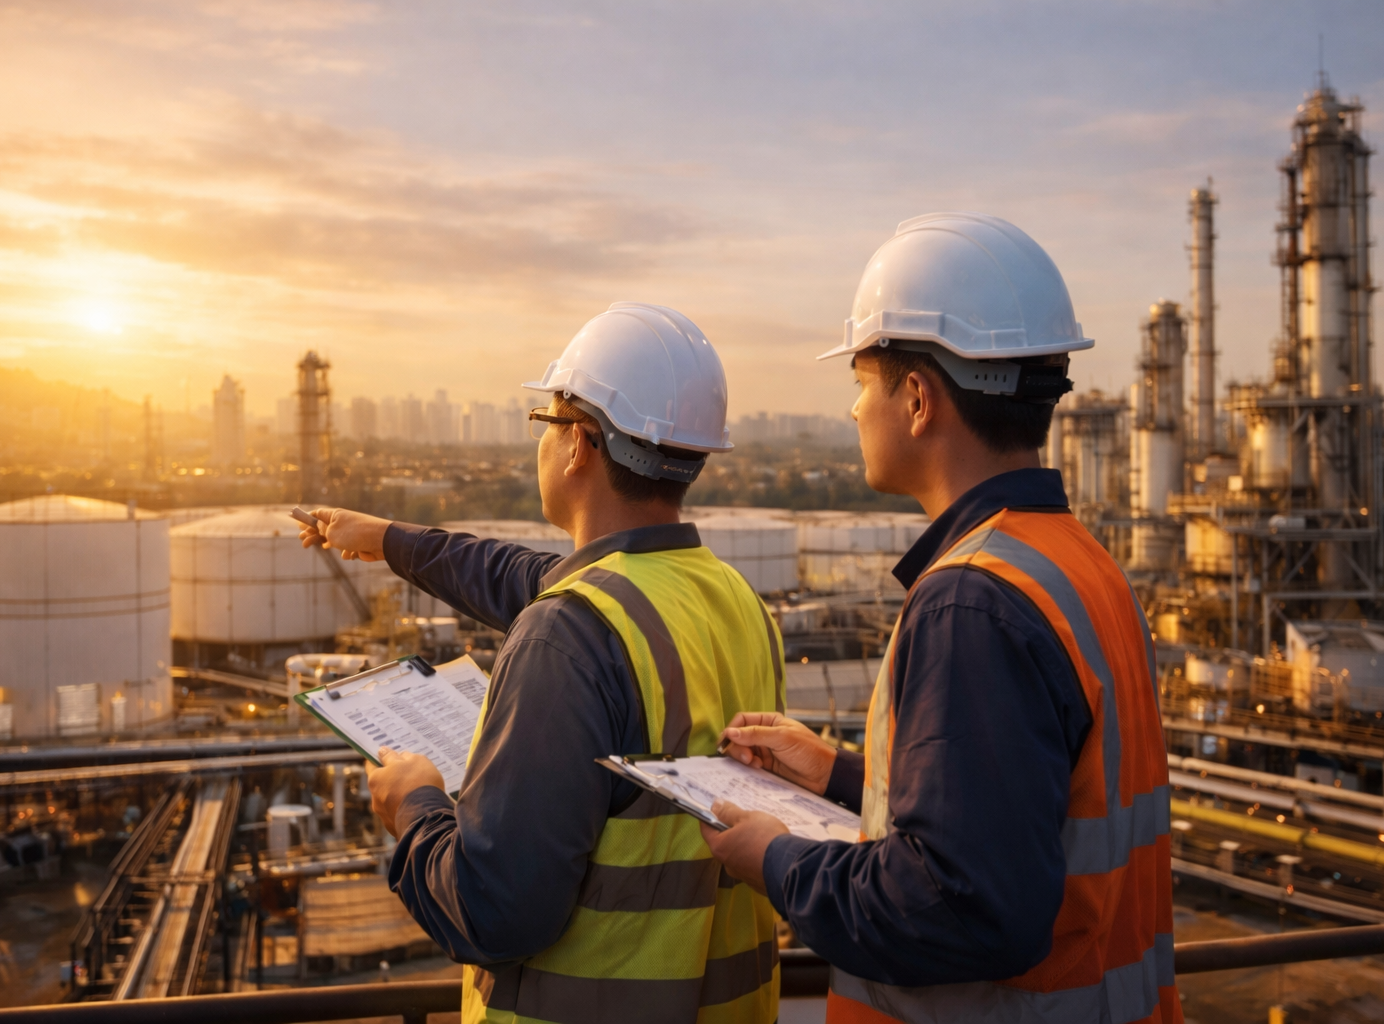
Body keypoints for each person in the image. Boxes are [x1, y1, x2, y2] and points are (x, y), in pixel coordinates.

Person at [700, 214, 1182, 1023]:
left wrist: (777, 861)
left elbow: (959, 907)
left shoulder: (971, 601)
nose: (855, 410)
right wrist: (837, 776)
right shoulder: (1076, 563)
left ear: (917, 399)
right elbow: (1025, 815)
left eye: (861, 383)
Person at [300, 302, 787, 1024]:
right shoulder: (732, 601)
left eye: (547, 422)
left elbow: (496, 912)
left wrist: (416, 807)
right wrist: (388, 539)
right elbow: (524, 576)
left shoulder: (566, 636)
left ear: (580, 445)